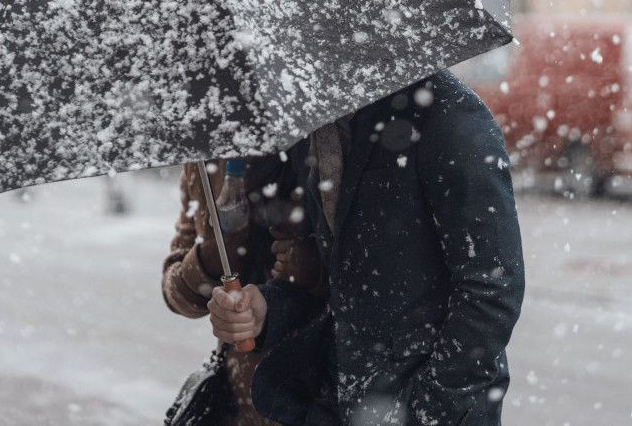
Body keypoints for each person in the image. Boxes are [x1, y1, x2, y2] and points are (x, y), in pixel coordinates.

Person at [207, 70, 526, 426]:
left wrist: (430, 405)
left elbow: (493, 288)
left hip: (423, 407)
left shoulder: (448, 112)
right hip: (339, 399)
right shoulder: (315, 123)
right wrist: (267, 309)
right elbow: (337, 278)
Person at [162, 155, 323, 426]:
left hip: (317, 389)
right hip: (240, 394)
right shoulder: (202, 161)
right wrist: (210, 257)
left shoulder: (320, 143)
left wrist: (315, 265)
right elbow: (176, 295)